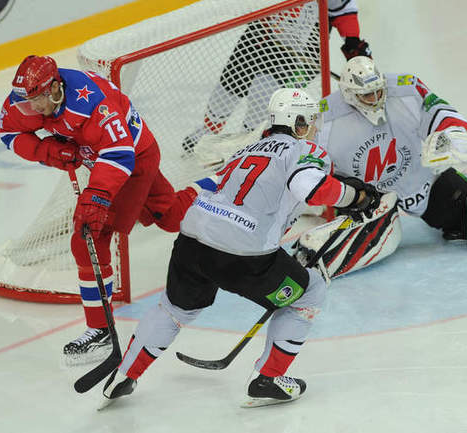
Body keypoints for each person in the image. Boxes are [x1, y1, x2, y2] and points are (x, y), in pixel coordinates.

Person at [98, 88, 380, 409]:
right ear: (298, 122)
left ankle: (125, 373)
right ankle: (268, 379)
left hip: (193, 239)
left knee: (173, 310)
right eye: (310, 120)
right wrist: (357, 198)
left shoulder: (246, 149)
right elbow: (310, 187)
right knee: (310, 290)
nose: (314, 127)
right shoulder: (305, 148)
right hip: (244, 255)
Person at [0, 55, 217, 365]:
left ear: (55, 88)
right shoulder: (28, 97)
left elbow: (119, 153)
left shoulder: (93, 104)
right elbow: (8, 132)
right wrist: (48, 150)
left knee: (88, 237)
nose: (31, 108)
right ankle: (219, 183)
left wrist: (97, 196)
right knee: (170, 218)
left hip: (133, 161)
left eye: (37, 101)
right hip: (106, 159)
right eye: (26, 102)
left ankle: (99, 330)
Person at [300, 56, 467, 280]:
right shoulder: (324, 117)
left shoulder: (406, 87)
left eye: (378, 91)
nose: (376, 99)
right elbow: (307, 167)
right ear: (350, 94)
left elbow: (439, 110)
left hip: (415, 176)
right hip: (364, 195)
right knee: (354, 251)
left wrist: (451, 134)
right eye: (367, 95)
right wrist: (343, 195)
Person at [182, 0, 371, 153]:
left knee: (264, 96)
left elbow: (342, 9)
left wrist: (352, 39)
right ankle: (209, 131)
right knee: (230, 84)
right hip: (261, 32)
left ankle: (248, 142)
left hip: (299, 50)